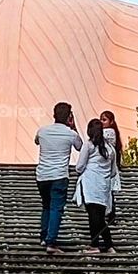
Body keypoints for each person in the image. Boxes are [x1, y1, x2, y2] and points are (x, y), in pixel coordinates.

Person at [34, 102, 83, 254]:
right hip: (59, 175)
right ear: (69, 117)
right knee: (56, 208)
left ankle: (44, 236)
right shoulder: (71, 134)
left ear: (54, 115)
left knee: (46, 206)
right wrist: (73, 127)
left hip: (42, 175)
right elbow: (81, 147)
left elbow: (36, 141)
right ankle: (51, 242)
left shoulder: (42, 131)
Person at [74, 118, 119, 255]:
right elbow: (113, 171)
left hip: (90, 184)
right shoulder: (110, 149)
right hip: (103, 186)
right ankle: (108, 246)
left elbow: (79, 166)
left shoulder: (88, 145)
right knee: (99, 216)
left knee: (93, 216)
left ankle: (96, 245)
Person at [100, 109, 124, 224]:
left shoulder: (109, 132)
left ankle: (109, 214)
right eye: (101, 119)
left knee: (107, 192)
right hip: (109, 166)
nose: (101, 122)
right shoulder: (113, 133)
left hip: (107, 167)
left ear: (111, 121)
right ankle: (110, 214)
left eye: (104, 120)